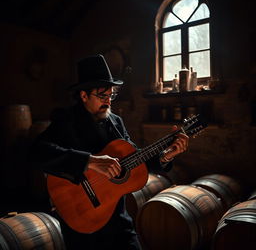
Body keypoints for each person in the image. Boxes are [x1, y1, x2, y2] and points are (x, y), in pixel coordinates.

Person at [29, 54, 189, 250]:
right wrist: (90, 161)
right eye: (102, 96)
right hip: (81, 217)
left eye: (111, 95)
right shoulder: (66, 120)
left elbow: (135, 159)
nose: (109, 101)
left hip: (117, 217)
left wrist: (166, 155)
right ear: (84, 95)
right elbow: (36, 152)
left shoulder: (116, 122)